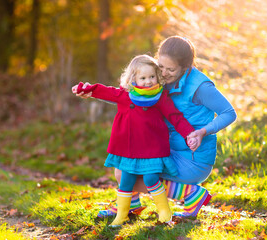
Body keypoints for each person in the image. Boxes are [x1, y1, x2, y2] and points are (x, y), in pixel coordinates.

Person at [89, 36, 237, 218]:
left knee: (127, 173)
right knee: (123, 166)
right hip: (166, 150)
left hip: (192, 157)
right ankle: (130, 205)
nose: (164, 73)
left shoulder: (200, 87)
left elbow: (229, 113)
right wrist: (91, 92)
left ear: (185, 67)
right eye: (161, 67)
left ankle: (191, 194)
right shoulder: (157, 80)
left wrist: (202, 131)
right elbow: (133, 100)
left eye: (171, 69)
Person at [72, 54, 198, 227]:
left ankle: (164, 212)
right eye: (143, 78)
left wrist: (190, 134)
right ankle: (122, 214)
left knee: (151, 179)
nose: (148, 82)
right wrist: (88, 89)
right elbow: (106, 91)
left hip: (152, 148)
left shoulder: (160, 97)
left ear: (157, 76)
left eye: (152, 76)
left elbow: (175, 117)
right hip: (129, 148)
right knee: (126, 180)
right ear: (134, 79)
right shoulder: (125, 95)